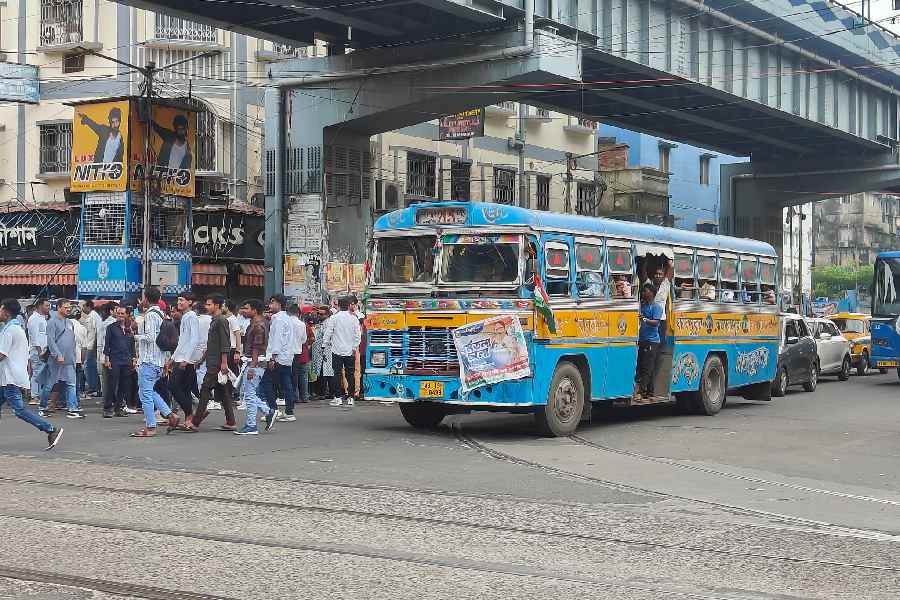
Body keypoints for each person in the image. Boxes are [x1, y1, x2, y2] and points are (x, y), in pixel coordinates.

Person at [0, 299, 64, 450]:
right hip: (7, 376)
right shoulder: (12, 328)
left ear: (7, 312)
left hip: (10, 378)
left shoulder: (11, 330)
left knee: (20, 410)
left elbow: (1, 355)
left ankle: (50, 429)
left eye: (1, 309)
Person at [130, 288, 179, 437]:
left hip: (149, 360)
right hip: (158, 360)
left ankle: (151, 426)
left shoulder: (151, 315)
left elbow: (150, 337)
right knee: (147, 391)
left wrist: (136, 337)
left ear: (145, 299)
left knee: (145, 394)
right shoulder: (161, 314)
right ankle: (170, 415)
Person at [188, 294, 236, 432]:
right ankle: (231, 421)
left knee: (205, 389)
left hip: (217, 363)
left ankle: (195, 422)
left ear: (217, 305)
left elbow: (225, 343)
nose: (207, 307)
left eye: (209, 304)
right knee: (224, 392)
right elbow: (212, 344)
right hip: (212, 361)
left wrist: (224, 363)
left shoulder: (221, 320)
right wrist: (202, 359)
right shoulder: (214, 320)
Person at [235, 299, 277, 435]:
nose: (244, 311)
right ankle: (268, 411)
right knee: (250, 393)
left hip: (255, 363)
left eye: (246, 308)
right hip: (256, 362)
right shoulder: (258, 323)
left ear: (254, 310)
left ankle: (251, 425)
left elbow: (257, 348)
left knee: (250, 395)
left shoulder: (258, 325)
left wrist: (252, 367)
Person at [39, 300, 82, 419]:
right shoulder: (52, 322)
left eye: (69, 307)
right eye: (66, 307)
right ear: (58, 308)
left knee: (71, 384)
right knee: (49, 384)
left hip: (69, 359)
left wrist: (74, 357)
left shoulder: (70, 322)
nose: (68, 309)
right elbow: (51, 341)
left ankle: (73, 409)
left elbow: (72, 341)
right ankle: (43, 407)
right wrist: (57, 355)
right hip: (56, 359)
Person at [260, 294, 297, 421]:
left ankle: (273, 409)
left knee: (266, 382)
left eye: (272, 302)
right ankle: (289, 411)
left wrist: (272, 357)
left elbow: (277, 339)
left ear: (279, 304)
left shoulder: (279, 319)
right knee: (286, 383)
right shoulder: (287, 318)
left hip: (278, 356)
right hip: (286, 356)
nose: (270, 305)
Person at [170, 293, 201, 426]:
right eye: (178, 300)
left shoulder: (192, 317)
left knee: (173, 386)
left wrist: (186, 359)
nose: (179, 302)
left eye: (182, 300)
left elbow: (194, 339)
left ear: (190, 302)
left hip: (185, 360)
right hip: (180, 357)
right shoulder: (185, 317)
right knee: (184, 388)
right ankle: (190, 417)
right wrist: (173, 358)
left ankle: (190, 414)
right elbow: (182, 341)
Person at [326, 296, 362, 407]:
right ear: (348, 305)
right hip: (350, 351)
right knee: (350, 374)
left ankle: (338, 398)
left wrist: (325, 344)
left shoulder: (334, 318)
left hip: (336, 350)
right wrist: (354, 347)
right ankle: (351, 397)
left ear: (339, 305)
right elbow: (358, 335)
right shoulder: (354, 318)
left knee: (336, 374)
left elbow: (329, 333)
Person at [103, 306, 134, 418]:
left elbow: (132, 344)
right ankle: (107, 408)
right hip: (114, 359)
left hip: (126, 359)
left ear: (126, 315)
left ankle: (118, 408)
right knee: (112, 384)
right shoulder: (111, 327)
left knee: (123, 385)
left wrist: (134, 358)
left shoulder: (129, 328)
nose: (120, 316)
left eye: (122, 314)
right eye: (118, 313)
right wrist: (107, 359)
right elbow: (107, 344)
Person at [635, 283, 663, 402]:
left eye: (645, 291)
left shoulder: (656, 307)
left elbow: (656, 323)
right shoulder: (643, 306)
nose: (643, 293)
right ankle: (650, 392)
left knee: (647, 367)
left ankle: (641, 392)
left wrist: (645, 319)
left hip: (652, 341)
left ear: (651, 293)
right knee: (643, 366)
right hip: (642, 340)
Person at [27, 298, 50, 406]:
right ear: (40, 306)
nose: (49, 308)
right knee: (37, 372)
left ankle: (40, 395)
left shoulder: (42, 318)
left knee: (42, 373)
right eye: (47, 305)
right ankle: (34, 396)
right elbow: (34, 337)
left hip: (44, 350)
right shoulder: (34, 319)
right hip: (37, 351)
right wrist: (40, 351)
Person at [288, 304, 309, 406]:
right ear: (298, 313)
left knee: (288, 375)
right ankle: (299, 396)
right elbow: (304, 340)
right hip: (297, 351)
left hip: (286, 352)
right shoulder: (302, 324)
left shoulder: (285, 322)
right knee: (296, 375)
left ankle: (293, 396)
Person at [80, 300, 101, 397]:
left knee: (89, 367)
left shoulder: (94, 316)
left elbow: (97, 332)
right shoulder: (90, 316)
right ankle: (94, 387)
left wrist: (94, 347)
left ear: (88, 306)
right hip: (89, 345)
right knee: (89, 367)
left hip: (91, 346)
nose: (82, 309)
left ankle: (94, 388)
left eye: (83, 306)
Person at [96, 303, 115, 403]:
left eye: (102, 312)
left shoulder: (108, 323)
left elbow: (105, 342)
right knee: (106, 378)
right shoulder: (107, 322)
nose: (101, 314)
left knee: (106, 378)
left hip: (106, 354)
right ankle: (108, 399)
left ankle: (107, 399)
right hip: (106, 353)